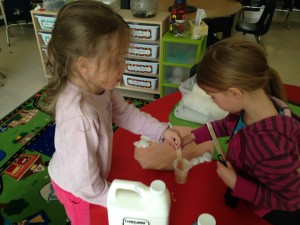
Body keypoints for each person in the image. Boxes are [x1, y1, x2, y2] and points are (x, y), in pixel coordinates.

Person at [44, 1, 181, 224]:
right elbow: (86, 184)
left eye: (123, 57)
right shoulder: (79, 117)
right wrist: (118, 200)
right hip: (79, 191)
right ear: (85, 66)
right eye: (117, 60)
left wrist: (161, 130)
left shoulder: (98, 85)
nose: (124, 66)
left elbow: (125, 113)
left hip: (90, 172)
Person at [181, 38, 300, 225]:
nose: (212, 101)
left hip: (265, 210)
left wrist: (236, 184)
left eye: (213, 97)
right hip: (243, 182)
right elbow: (227, 125)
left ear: (234, 92)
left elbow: (290, 200)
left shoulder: (270, 147)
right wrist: (193, 136)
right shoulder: (249, 109)